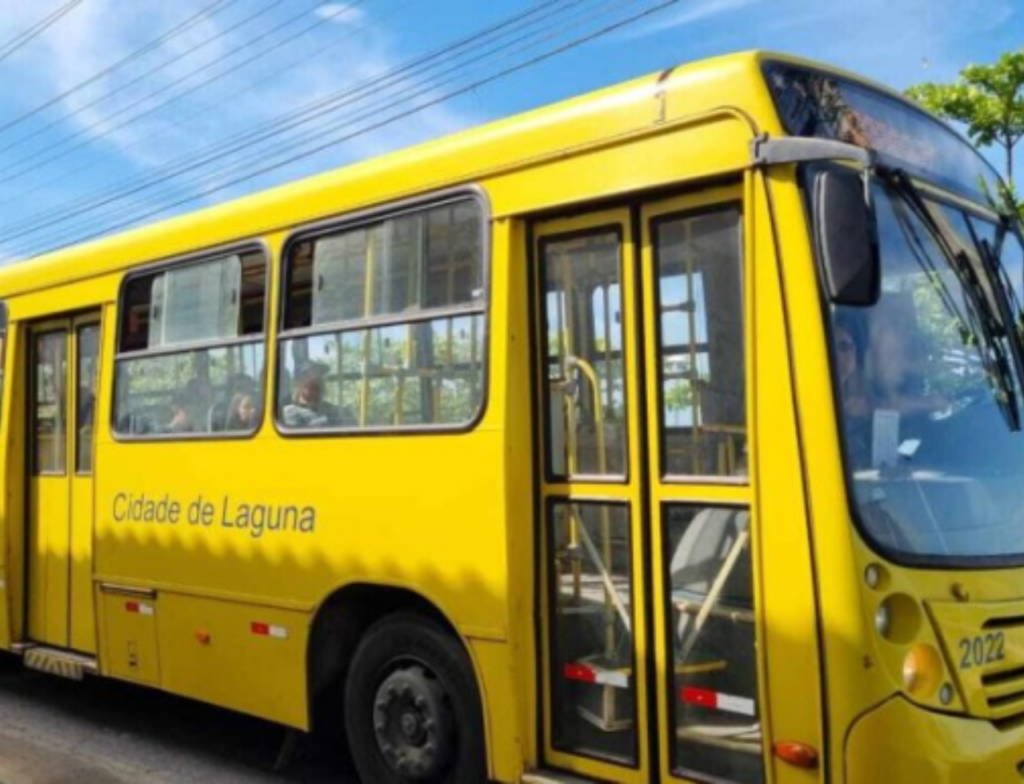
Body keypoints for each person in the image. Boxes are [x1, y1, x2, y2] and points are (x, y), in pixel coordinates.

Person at [282, 362, 349, 428]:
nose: (317, 380)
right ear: (297, 383)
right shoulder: (289, 413)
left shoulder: (336, 411)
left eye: (320, 376)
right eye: (309, 376)